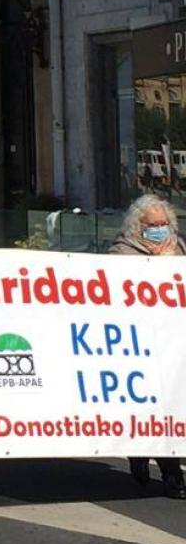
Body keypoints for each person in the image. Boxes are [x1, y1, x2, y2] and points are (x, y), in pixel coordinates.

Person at [110, 193, 185, 500]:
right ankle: (157, 464)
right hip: (138, 343)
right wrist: (159, 265)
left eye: (164, 224)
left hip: (173, 344)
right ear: (137, 226)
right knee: (149, 405)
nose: (159, 229)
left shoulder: (180, 248)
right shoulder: (122, 253)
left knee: (171, 403)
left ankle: (170, 471)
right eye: (152, 224)